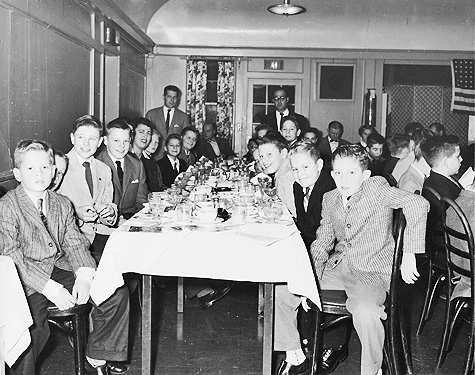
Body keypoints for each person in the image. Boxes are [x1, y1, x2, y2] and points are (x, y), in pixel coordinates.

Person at [274, 144, 429, 375]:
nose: (343, 179)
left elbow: (418, 204)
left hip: (371, 272)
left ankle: (373, 370)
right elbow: (322, 242)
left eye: (351, 173)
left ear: (365, 175)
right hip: (338, 269)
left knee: (367, 312)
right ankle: (293, 351)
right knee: (283, 289)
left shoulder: (376, 188)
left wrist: (409, 253)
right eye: (337, 173)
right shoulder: (331, 198)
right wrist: (311, 277)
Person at [1, 140, 129, 375]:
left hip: (61, 268)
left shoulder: (61, 203)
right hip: (26, 282)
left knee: (115, 294)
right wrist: (50, 289)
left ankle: (95, 356)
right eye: (30, 168)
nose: (39, 173)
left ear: (53, 171)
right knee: (29, 329)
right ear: (18, 174)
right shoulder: (7, 206)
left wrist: (84, 275)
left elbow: (75, 243)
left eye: (45, 167)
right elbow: (12, 257)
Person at [58, 115, 118, 265]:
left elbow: (107, 204)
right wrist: (76, 214)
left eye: (92, 139)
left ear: (99, 142)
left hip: (99, 234)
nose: (86, 143)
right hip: (70, 240)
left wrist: (109, 213)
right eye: (81, 137)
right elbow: (50, 209)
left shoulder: (104, 170)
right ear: (72, 138)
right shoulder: (59, 166)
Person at [97, 118, 149, 223]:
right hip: (105, 224)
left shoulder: (136, 164)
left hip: (131, 219)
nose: (122, 146)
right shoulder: (97, 164)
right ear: (106, 141)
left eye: (126, 141)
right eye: (116, 140)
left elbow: (141, 200)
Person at [421, 135, 463, 227]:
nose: (461, 159)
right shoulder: (443, 190)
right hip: (452, 235)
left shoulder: (431, 180)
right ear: (446, 162)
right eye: (458, 156)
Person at [145, 85, 191, 160]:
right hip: (155, 157)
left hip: (175, 158)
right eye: (169, 96)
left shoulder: (184, 117)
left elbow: (184, 141)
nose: (172, 100)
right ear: (164, 97)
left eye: (175, 97)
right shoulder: (151, 114)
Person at [257, 132, 296, 217]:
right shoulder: (281, 171)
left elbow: (295, 213)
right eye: (261, 156)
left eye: (269, 154)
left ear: (283, 153)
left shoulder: (288, 176)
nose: (264, 161)